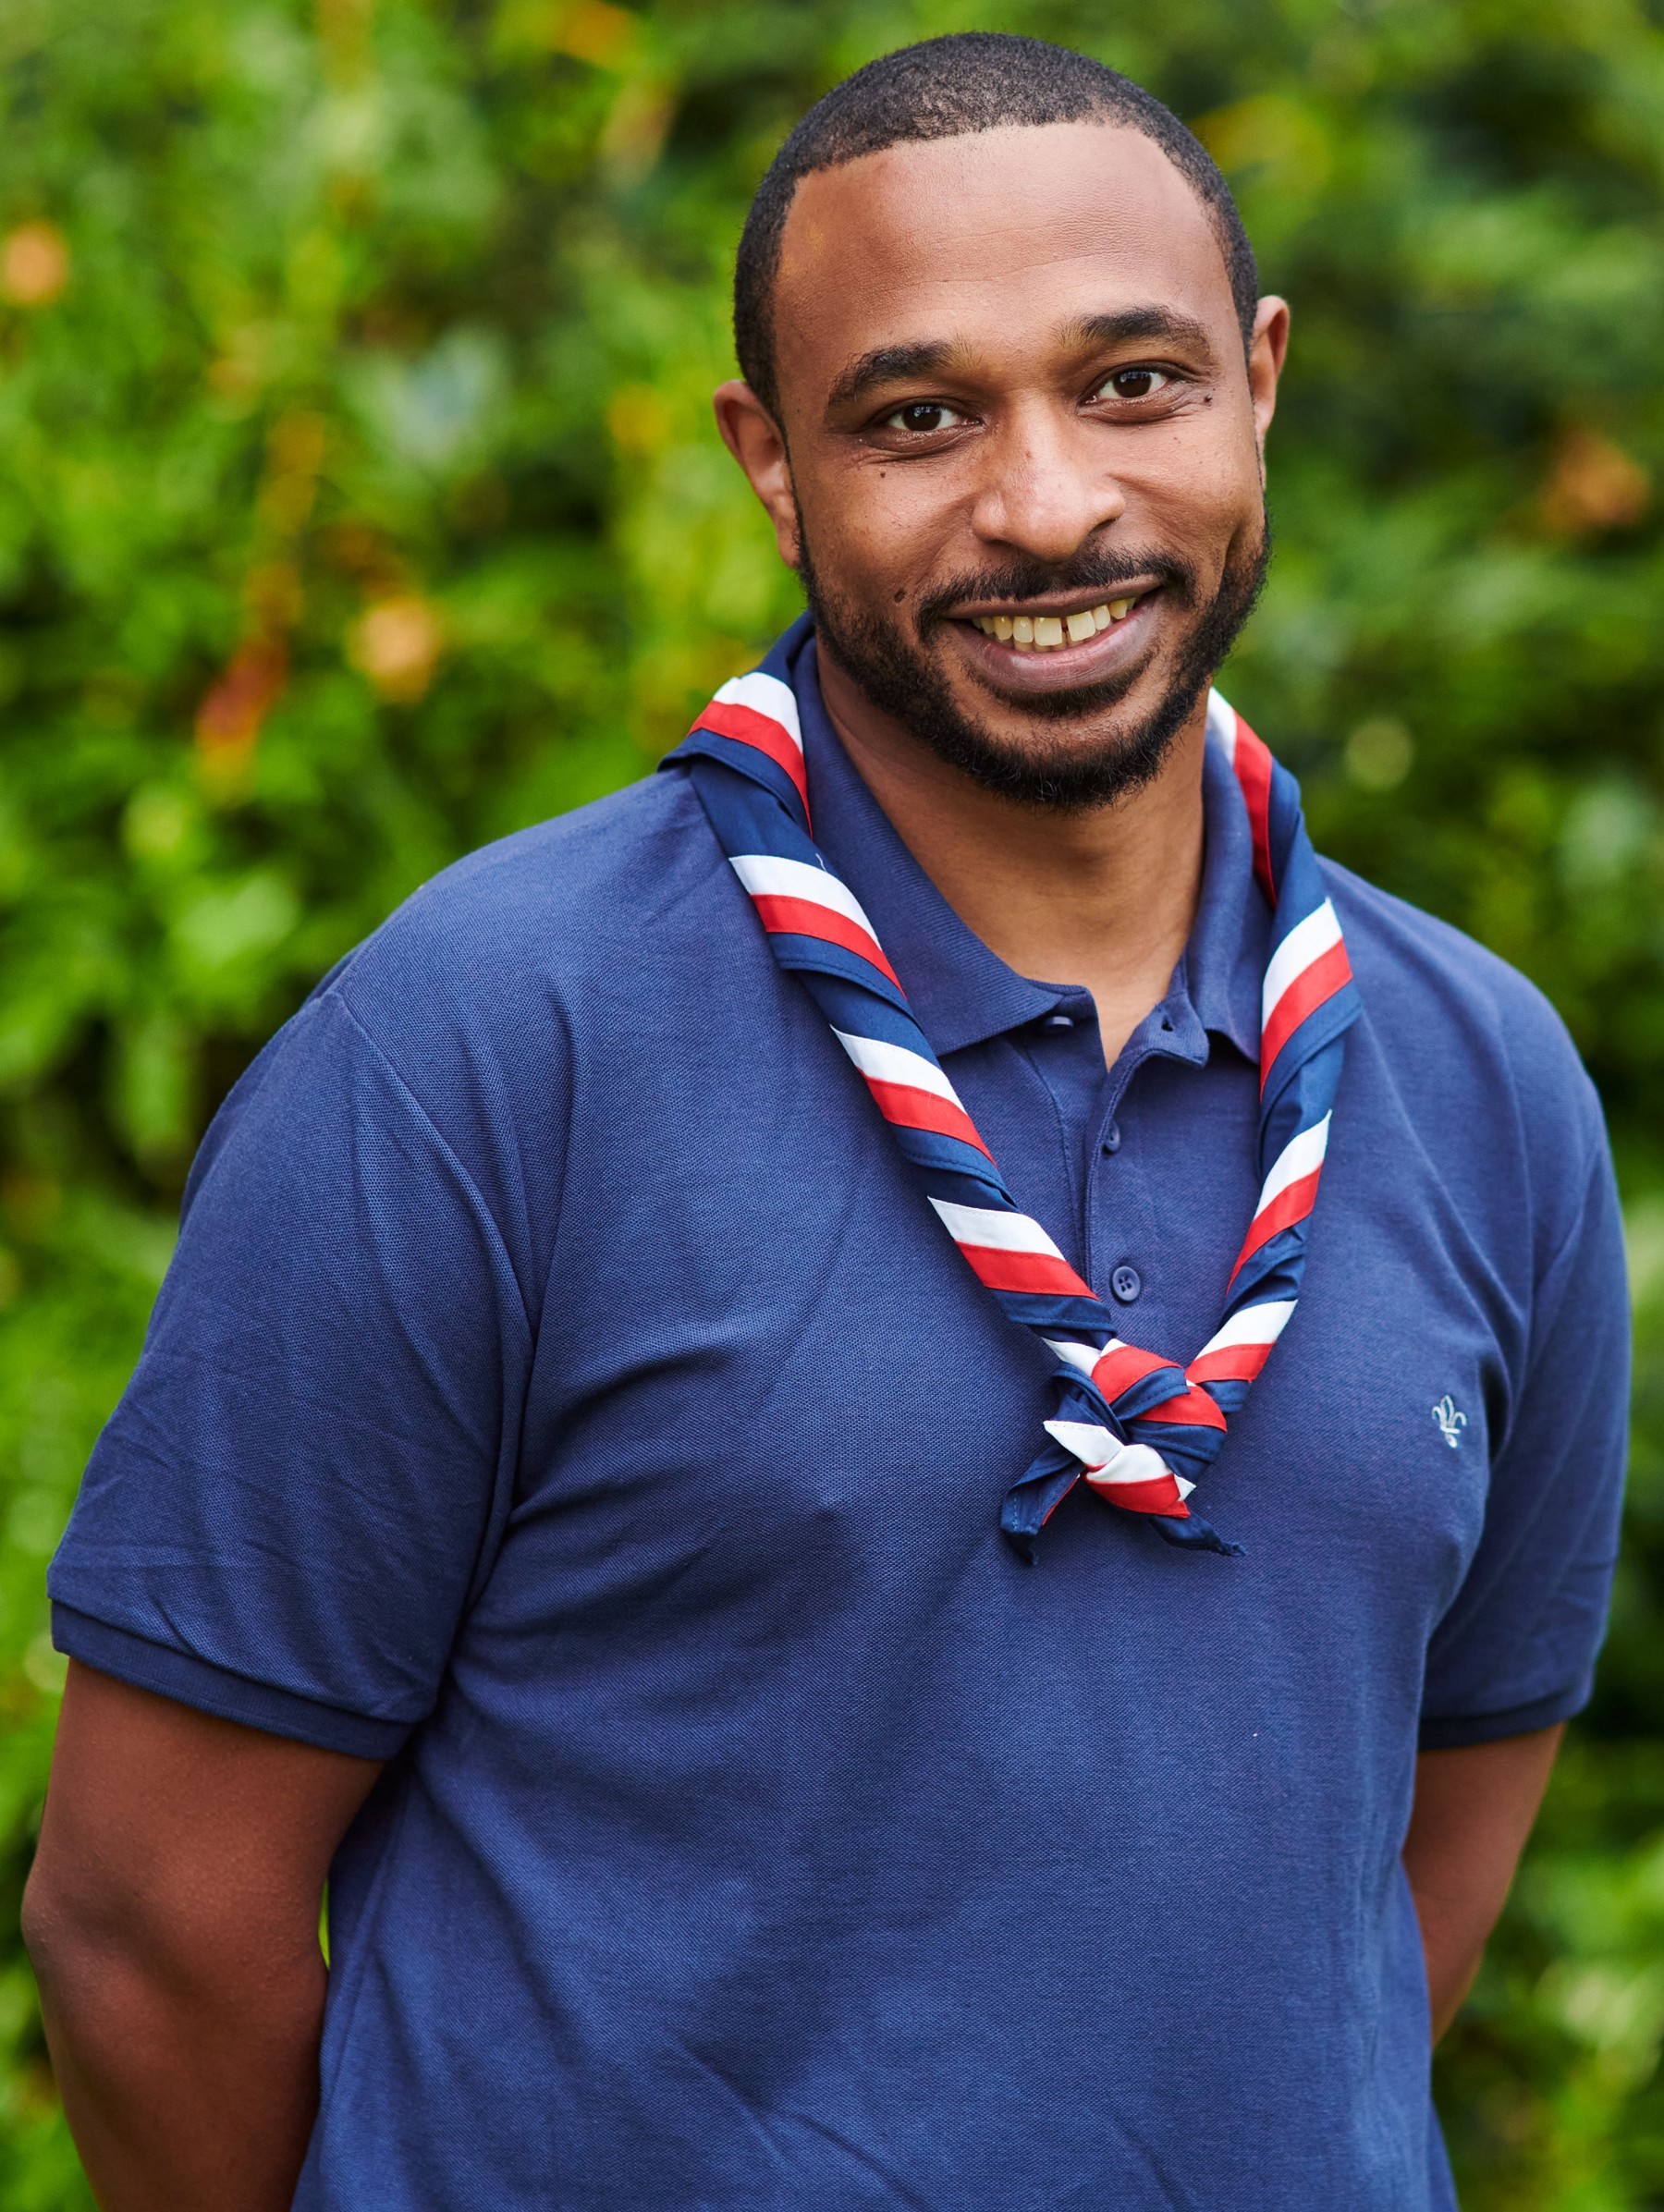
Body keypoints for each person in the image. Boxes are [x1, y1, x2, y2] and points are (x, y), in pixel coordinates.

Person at [23, 31, 1627, 2212]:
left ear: (1262, 382)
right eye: (920, 414)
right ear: (772, 465)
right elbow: (146, 1931)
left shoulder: (1482, 1074)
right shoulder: (486, 1048)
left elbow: (1406, 1879)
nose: (1048, 501)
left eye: (1132, 382)